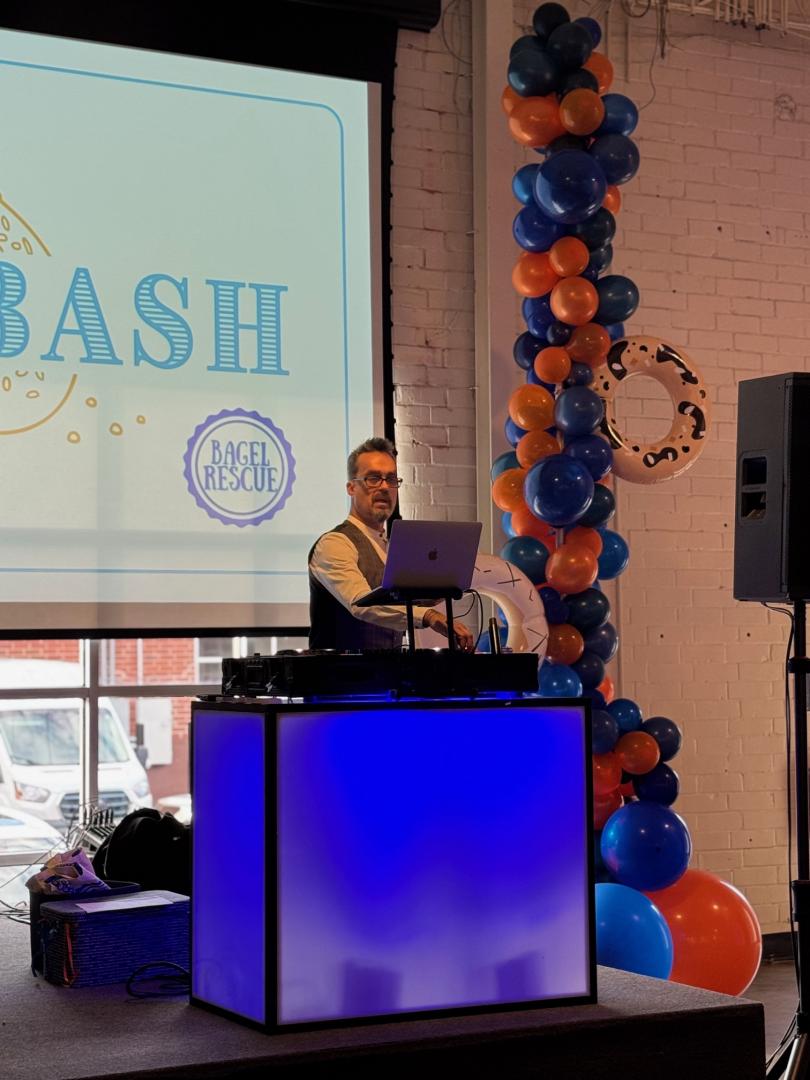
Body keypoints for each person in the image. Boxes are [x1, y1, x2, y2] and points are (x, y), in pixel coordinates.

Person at [308, 436, 475, 651]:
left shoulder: (393, 548)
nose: (385, 487)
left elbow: (406, 603)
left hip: (390, 671)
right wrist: (430, 616)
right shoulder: (334, 544)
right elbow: (361, 604)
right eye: (373, 478)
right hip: (340, 672)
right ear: (351, 488)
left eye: (391, 479)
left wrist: (444, 586)